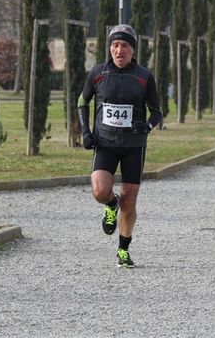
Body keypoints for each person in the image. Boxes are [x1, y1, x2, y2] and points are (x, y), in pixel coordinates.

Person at [78, 24, 163, 268]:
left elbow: (156, 111)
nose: (119, 50)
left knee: (130, 199)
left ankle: (123, 250)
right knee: (99, 191)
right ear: (110, 48)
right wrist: (86, 132)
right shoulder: (97, 73)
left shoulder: (144, 76)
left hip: (133, 146)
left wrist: (146, 127)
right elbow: (81, 102)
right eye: (115, 45)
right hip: (105, 142)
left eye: (124, 45)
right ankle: (110, 205)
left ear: (132, 49)